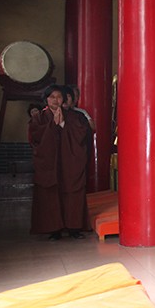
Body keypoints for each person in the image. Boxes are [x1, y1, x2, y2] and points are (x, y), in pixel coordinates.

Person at [28, 85, 91, 240]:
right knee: (50, 194)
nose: (55, 100)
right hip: (49, 163)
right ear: (46, 99)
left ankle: (74, 228)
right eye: (52, 97)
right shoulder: (39, 118)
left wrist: (64, 125)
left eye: (59, 97)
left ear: (64, 99)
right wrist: (51, 126)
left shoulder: (75, 117)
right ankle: (53, 229)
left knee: (72, 193)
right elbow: (35, 137)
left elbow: (83, 134)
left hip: (70, 162)